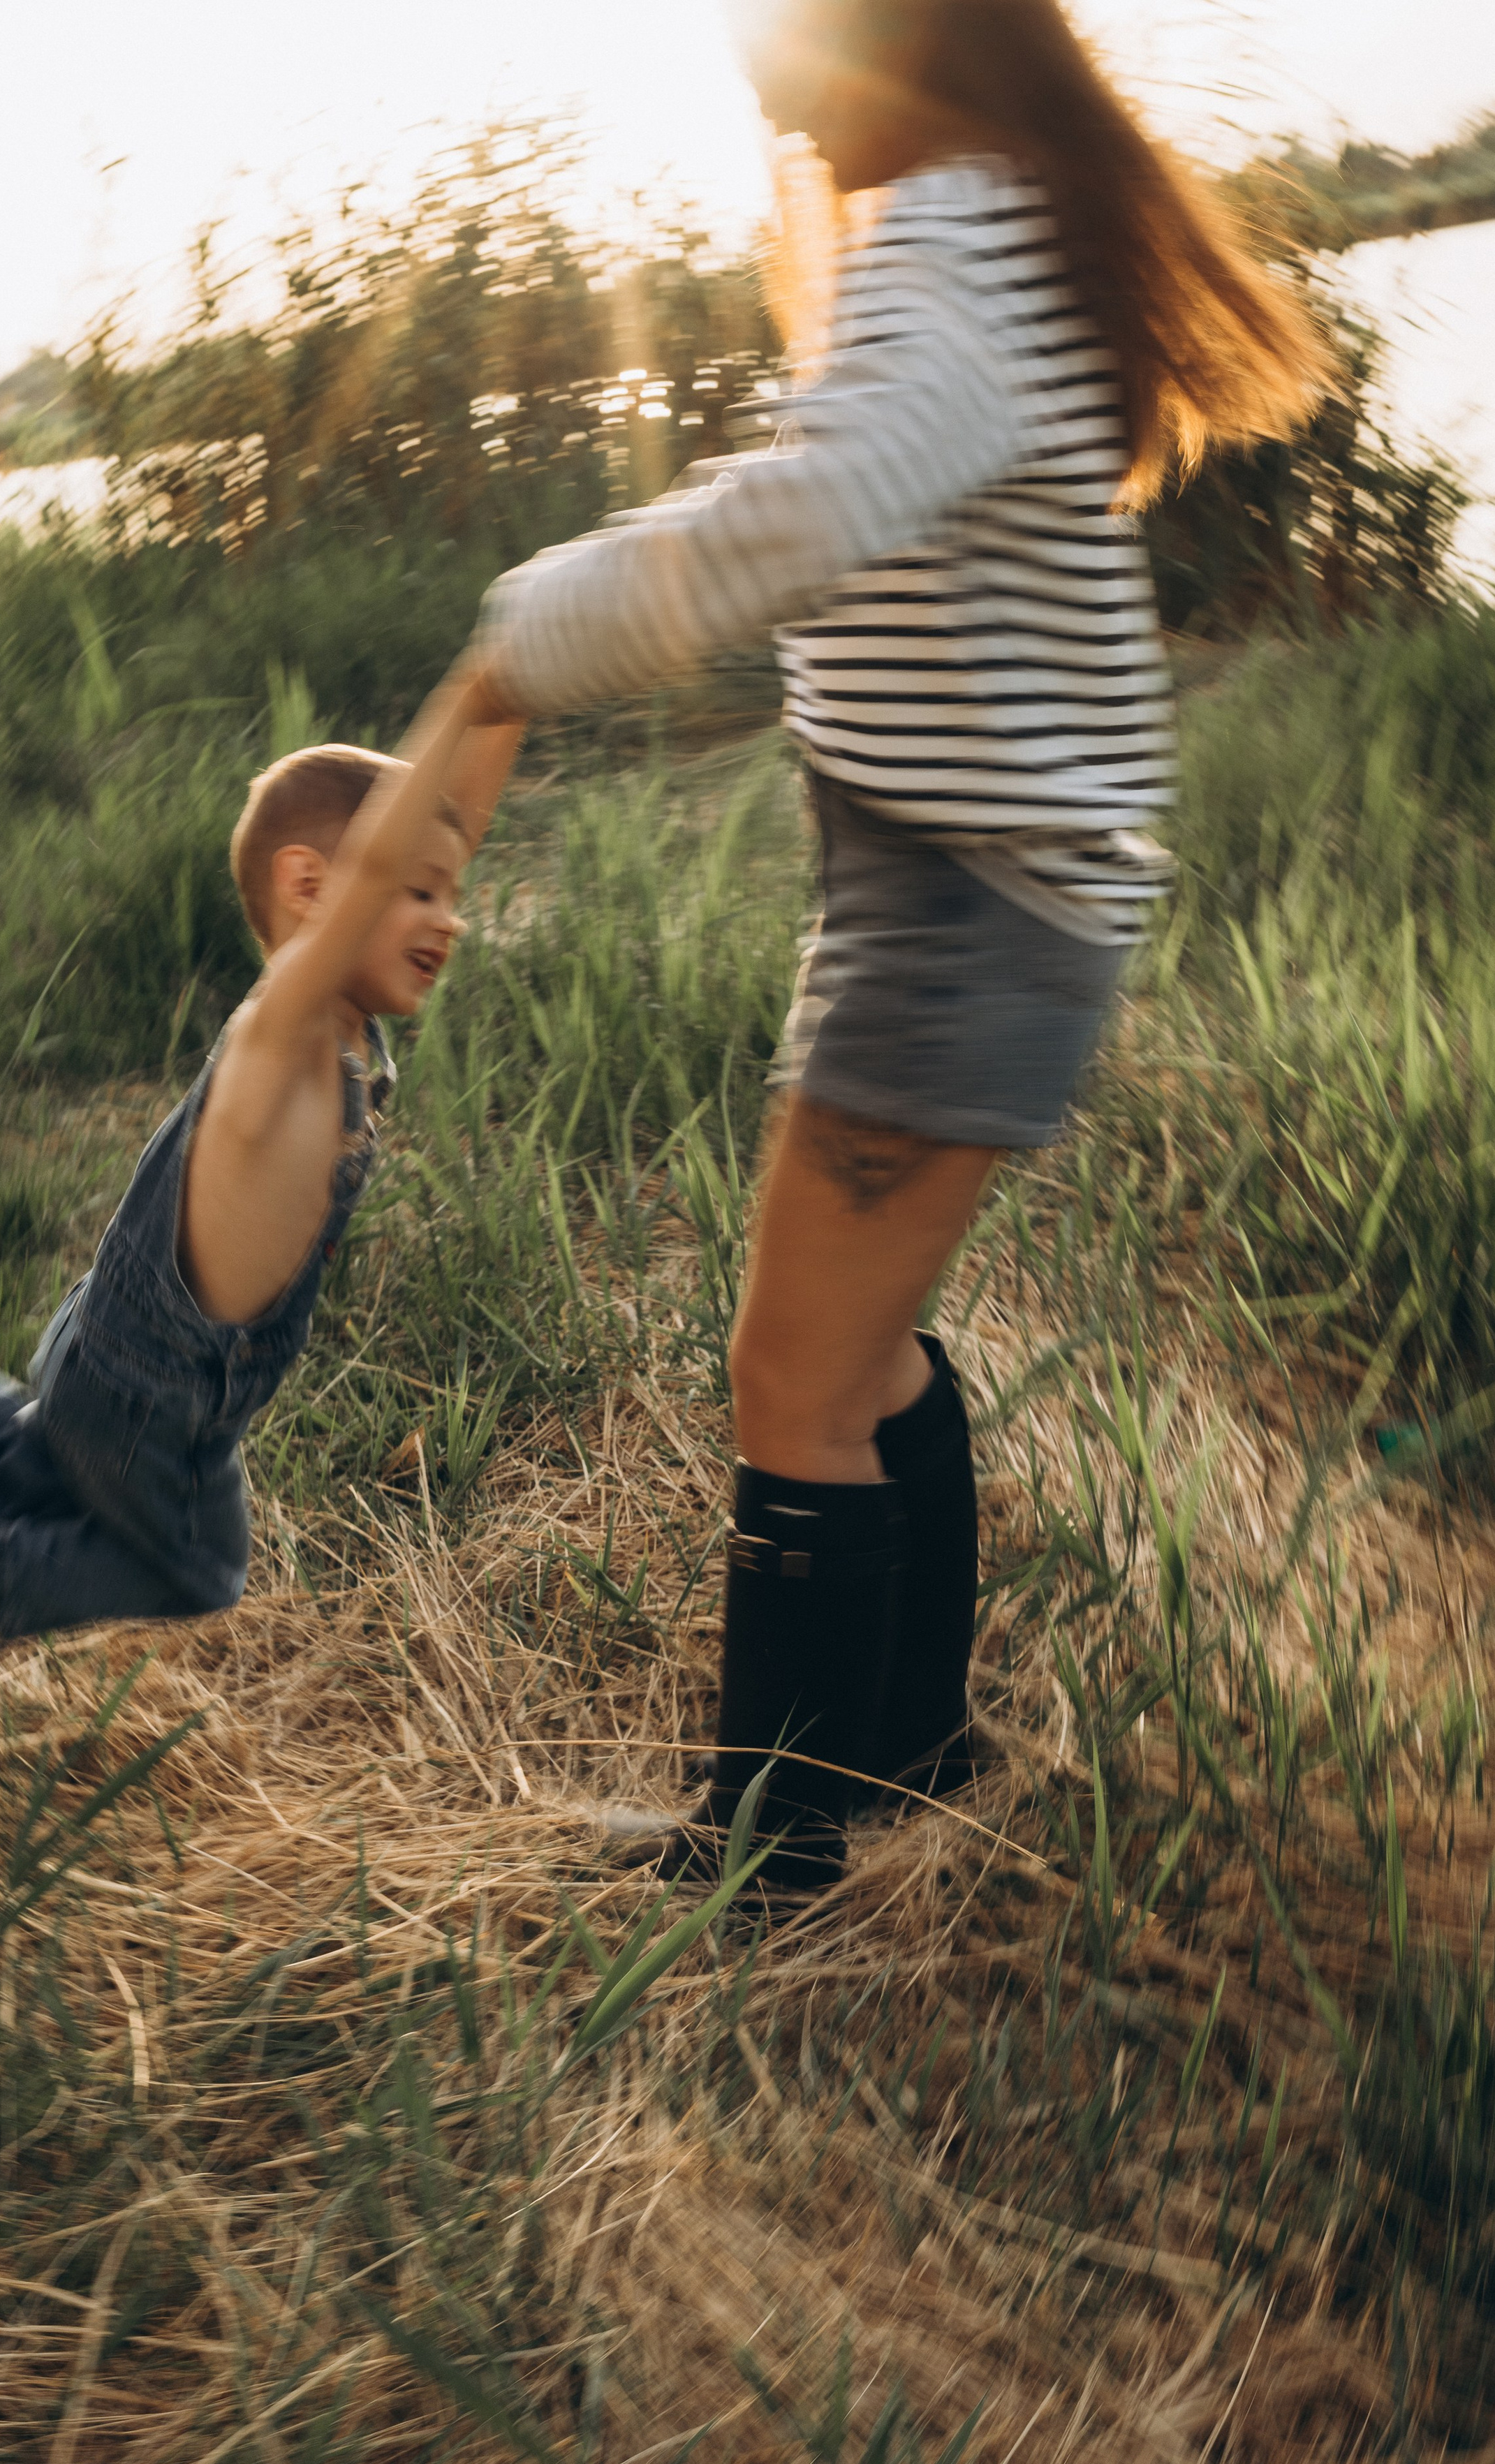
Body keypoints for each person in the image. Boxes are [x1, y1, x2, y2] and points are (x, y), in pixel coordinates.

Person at [464, 0, 1325, 1891]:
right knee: (852, 1357)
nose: (761, 87)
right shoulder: (976, 217)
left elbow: (815, 511)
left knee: (793, 1373)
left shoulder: (955, 231)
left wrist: (535, 623)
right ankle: (915, 1750)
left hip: (967, 904)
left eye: (781, 45)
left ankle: (770, 1845)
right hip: (957, 889)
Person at [0, 672, 522, 1651]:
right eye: (423, 892)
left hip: (113, 1350)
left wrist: (521, 684)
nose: (453, 916)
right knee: (200, 1568)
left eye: (455, 894)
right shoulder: (291, 1038)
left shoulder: (336, 1033)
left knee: (38, 1467)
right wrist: (474, 681)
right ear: (312, 891)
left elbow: (443, 824)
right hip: (165, 1399)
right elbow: (397, 846)